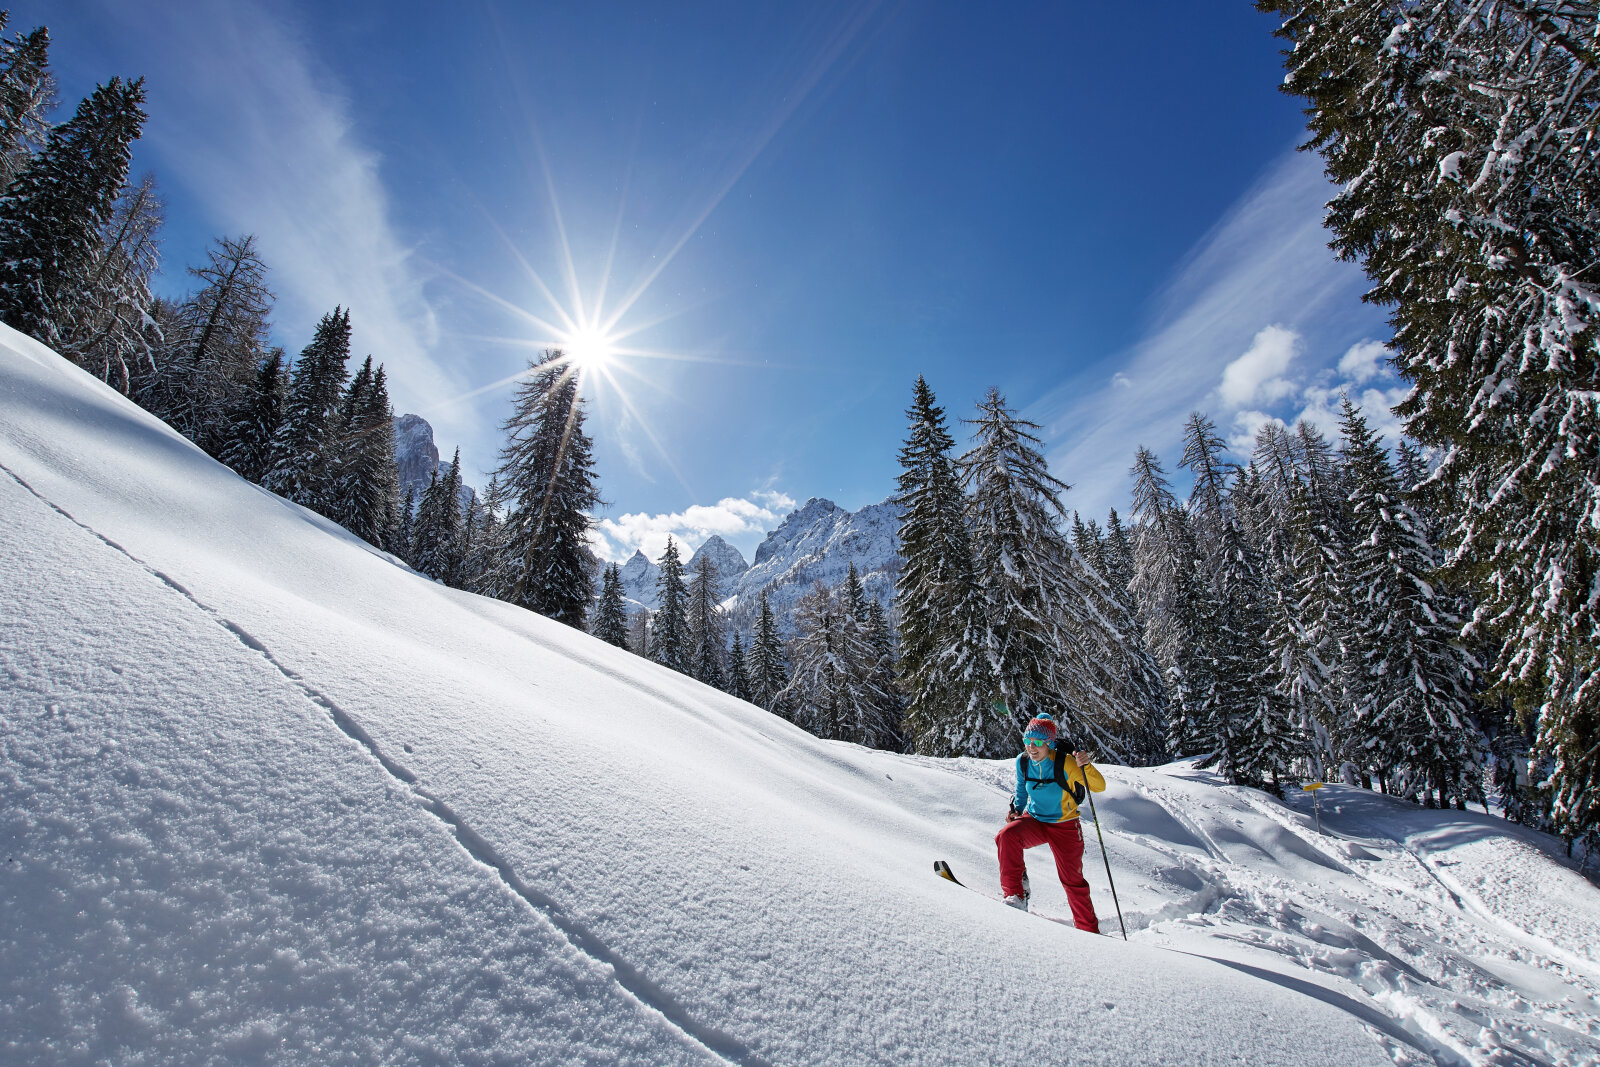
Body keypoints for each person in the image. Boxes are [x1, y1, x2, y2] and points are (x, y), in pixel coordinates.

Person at [994, 712, 1105, 932]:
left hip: (1064, 824)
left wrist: (1087, 767)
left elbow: (1099, 786)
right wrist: (1016, 809)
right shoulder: (1023, 761)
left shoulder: (1066, 762)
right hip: (1035, 820)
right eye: (1027, 741)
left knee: (1072, 880)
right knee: (1006, 836)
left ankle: (1088, 930)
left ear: (1050, 744)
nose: (1031, 747)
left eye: (1037, 742)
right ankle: (1015, 896)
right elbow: (1021, 789)